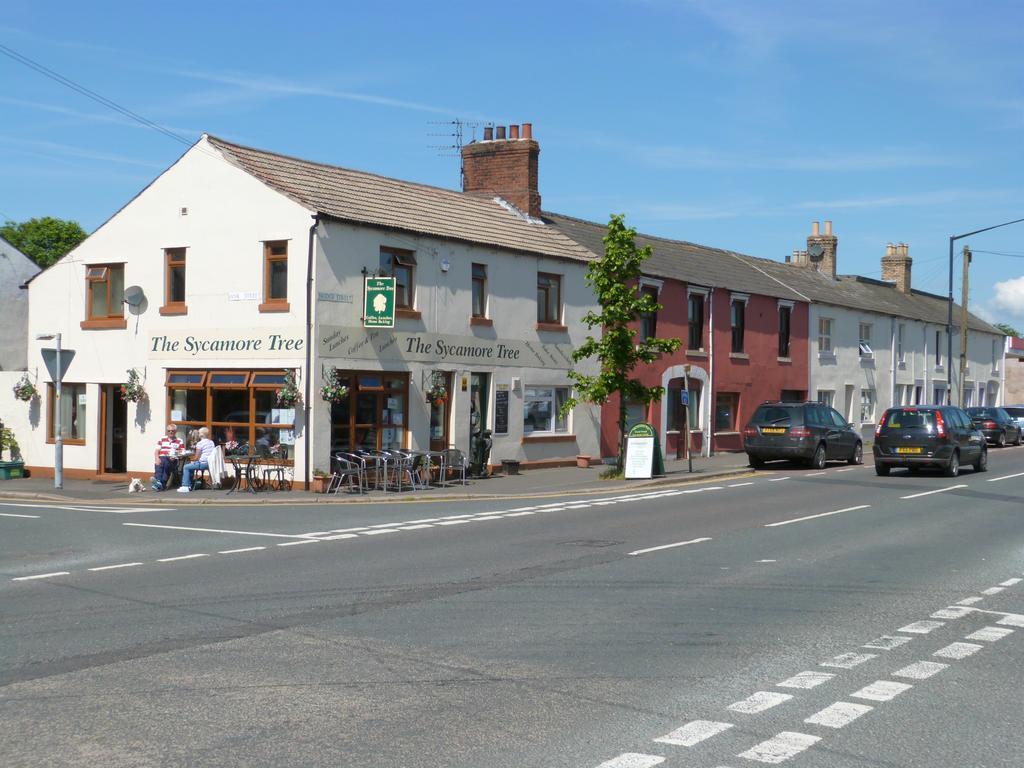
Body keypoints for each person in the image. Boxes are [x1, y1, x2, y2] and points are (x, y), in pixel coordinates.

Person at [178, 427, 216, 493]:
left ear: (200, 435)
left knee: (186, 467)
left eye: (198, 433)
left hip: (203, 464)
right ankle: (189, 485)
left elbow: (197, 457)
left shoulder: (200, 443)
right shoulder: (211, 442)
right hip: (210, 464)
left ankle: (185, 486)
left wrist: (192, 458)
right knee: (191, 466)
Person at [152, 423, 184, 491]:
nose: (170, 432)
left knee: (165, 462)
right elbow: (156, 451)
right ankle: (160, 484)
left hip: (173, 460)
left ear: (175, 431)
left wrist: (175, 456)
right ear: (167, 431)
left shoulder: (179, 440)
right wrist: (157, 458)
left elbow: (182, 452)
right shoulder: (162, 439)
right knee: (161, 462)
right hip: (162, 458)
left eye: (172, 430)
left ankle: (158, 481)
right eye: (169, 431)